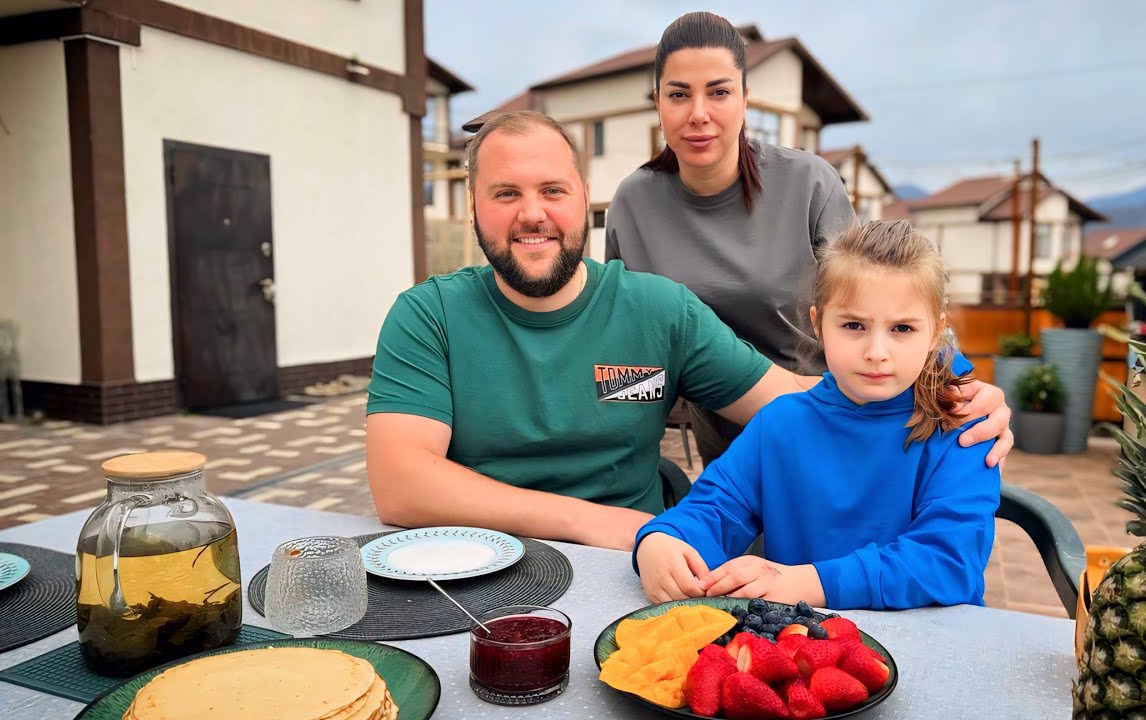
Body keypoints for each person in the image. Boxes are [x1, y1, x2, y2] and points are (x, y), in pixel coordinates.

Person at [364, 111, 1010, 552]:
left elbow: (799, 401)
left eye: (552, 190)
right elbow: (400, 487)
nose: (532, 214)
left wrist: (947, 387)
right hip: (473, 565)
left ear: (584, 195)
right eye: (505, 193)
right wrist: (590, 523)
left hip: (630, 570)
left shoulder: (660, 311)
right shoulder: (429, 316)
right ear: (473, 201)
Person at [606, 12, 1009, 467]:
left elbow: (879, 291)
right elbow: (624, 347)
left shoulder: (807, 183)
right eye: (679, 94)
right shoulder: (632, 204)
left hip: (828, 420)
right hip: (724, 444)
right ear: (658, 102)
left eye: (719, 92)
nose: (699, 113)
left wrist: (958, 382)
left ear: (744, 100)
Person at [634, 220, 1002, 610]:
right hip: (803, 648)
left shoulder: (965, 426)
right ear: (818, 324)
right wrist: (664, 539)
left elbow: (949, 562)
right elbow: (716, 506)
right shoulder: (779, 423)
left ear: (935, 334)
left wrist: (808, 582)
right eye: (854, 325)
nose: (877, 351)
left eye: (902, 328)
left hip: (931, 648)